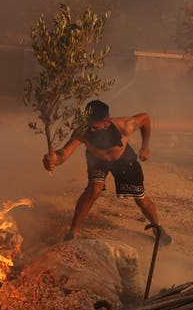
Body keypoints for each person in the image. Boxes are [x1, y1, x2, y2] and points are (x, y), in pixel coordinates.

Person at [42, 99, 172, 245]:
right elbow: (64, 154)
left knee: (140, 198)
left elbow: (145, 119)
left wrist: (145, 147)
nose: (90, 130)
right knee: (93, 190)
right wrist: (52, 160)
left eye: (95, 128)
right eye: (89, 125)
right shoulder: (82, 131)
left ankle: (157, 228)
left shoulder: (125, 125)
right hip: (97, 160)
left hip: (124, 160)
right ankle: (72, 231)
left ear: (107, 122)